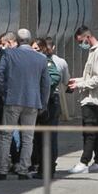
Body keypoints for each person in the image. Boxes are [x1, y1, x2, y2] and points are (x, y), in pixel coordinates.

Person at [0, 28, 50, 180]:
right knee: (28, 137)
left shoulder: (10, 54)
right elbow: (46, 83)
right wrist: (43, 102)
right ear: (30, 40)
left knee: (6, 135)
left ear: (17, 41)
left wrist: (4, 91)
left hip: (12, 99)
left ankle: (3, 169)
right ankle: (23, 170)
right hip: (32, 101)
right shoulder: (41, 58)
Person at [68, 26, 98, 174]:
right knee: (95, 130)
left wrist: (80, 84)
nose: (81, 45)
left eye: (81, 41)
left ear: (87, 37)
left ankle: (84, 161)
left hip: (93, 98)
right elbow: (92, 77)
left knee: (89, 131)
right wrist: (78, 81)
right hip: (92, 97)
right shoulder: (95, 52)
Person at [30, 38, 62, 179]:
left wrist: (43, 87)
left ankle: (48, 169)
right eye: (33, 49)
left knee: (48, 137)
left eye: (37, 49)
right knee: (40, 138)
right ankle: (42, 168)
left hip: (50, 102)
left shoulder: (46, 61)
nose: (34, 51)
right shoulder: (36, 62)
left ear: (43, 49)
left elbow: (54, 77)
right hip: (41, 101)